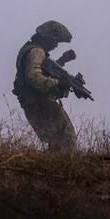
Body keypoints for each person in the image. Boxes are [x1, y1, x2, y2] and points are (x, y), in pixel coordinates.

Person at [12, 20, 78, 153]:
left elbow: (44, 70)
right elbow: (33, 76)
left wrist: (62, 61)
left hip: (32, 102)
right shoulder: (37, 51)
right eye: (55, 41)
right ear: (47, 38)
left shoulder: (33, 48)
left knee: (55, 144)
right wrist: (58, 83)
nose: (56, 45)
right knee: (67, 136)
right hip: (40, 102)